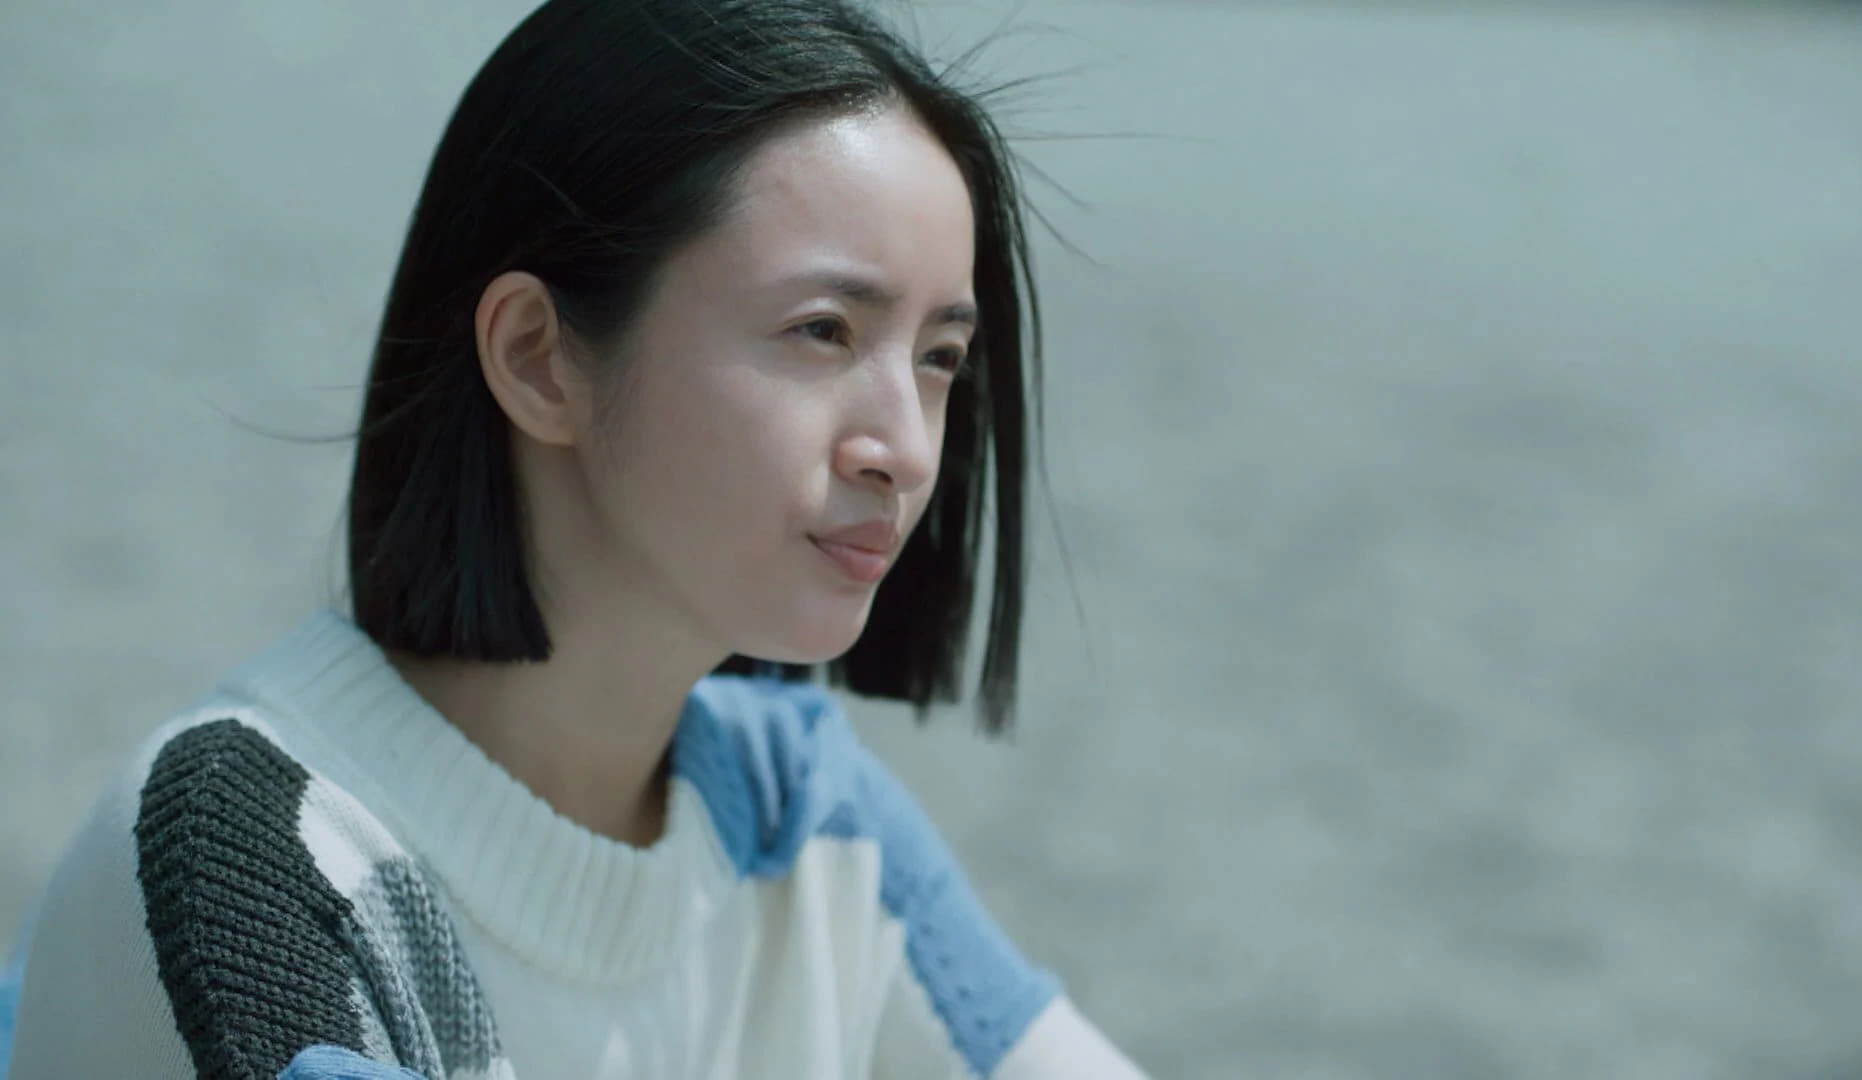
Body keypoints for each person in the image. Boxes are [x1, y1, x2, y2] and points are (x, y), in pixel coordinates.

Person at [2, 1, 1150, 1077]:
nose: (903, 446)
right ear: (536, 358)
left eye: (940, 357)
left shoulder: (802, 817)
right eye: (821, 331)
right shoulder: (264, 852)